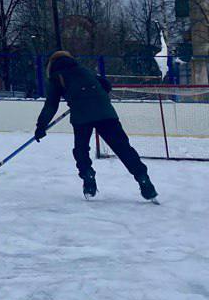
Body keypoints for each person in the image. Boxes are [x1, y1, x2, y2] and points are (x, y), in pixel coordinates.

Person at [35, 51, 157, 200]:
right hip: (105, 113)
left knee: (81, 150)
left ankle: (88, 177)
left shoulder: (56, 77)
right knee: (123, 148)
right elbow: (106, 85)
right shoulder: (85, 70)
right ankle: (143, 179)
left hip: (81, 116)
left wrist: (41, 126)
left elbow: (51, 105)